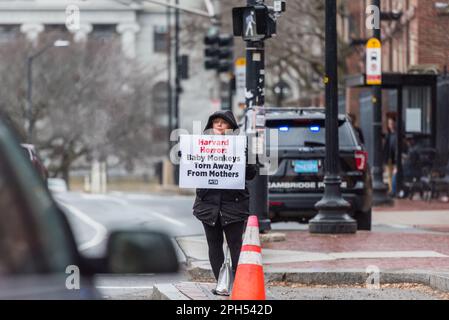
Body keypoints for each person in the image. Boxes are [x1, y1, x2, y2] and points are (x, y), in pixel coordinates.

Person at [192, 110, 257, 294]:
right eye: (216, 122)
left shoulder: (242, 147)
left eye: (224, 122)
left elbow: (252, 173)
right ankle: (221, 283)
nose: (219, 125)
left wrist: (244, 160)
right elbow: (191, 169)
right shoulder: (200, 146)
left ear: (231, 127)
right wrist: (187, 156)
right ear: (211, 126)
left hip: (234, 203)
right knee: (214, 244)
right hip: (208, 204)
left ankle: (238, 284)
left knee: (235, 244)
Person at [383, 117, 397, 195]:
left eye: (392, 123)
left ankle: (393, 190)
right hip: (389, 157)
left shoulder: (396, 135)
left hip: (395, 157)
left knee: (394, 174)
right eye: (389, 124)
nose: (390, 125)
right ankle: (391, 189)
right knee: (389, 174)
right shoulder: (388, 135)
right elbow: (386, 147)